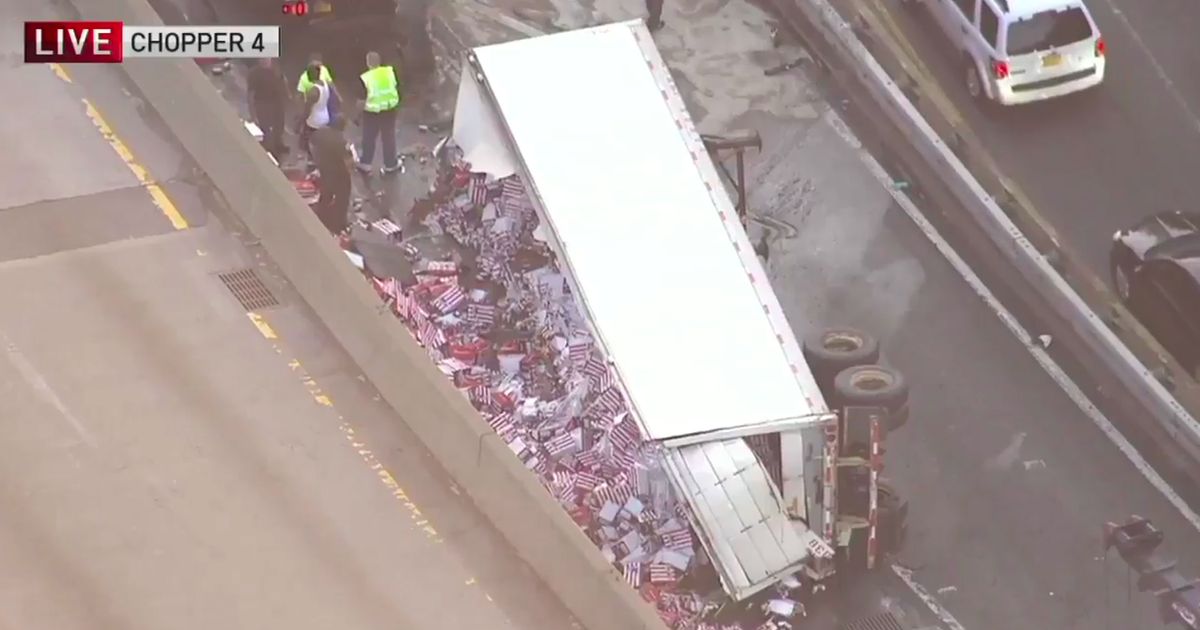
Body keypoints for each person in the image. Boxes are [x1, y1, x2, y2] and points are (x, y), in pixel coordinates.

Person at [357, 51, 402, 174]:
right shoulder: (389, 72)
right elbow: (396, 87)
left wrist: (357, 116)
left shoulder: (366, 78)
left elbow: (361, 100)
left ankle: (365, 164)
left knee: (369, 137)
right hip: (390, 109)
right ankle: (390, 165)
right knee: (388, 137)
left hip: (372, 112)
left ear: (368, 63)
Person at [310, 118, 354, 235]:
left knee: (326, 192)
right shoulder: (341, 141)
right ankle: (339, 224)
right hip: (339, 174)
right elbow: (348, 160)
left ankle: (320, 216)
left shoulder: (320, 133)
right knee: (342, 199)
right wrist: (350, 171)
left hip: (325, 170)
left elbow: (312, 145)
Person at [247, 58, 288, 159]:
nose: (265, 60)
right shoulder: (254, 73)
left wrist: (287, 94)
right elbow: (250, 93)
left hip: (277, 102)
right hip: (263, 103)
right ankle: (270, 150)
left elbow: (282, 79)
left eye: (267, 58)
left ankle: (278, 144)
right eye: (263, 58)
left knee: (279, 124)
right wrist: (253, 114)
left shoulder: (275, 68)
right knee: (266, 128)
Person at [297, 62, 335, 163]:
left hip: (314, 121)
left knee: (311, 145)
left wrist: (300, 122)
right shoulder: (324, 84)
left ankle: (312, 163)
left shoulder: (313, 91)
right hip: (324, 117)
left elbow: (307, 110)